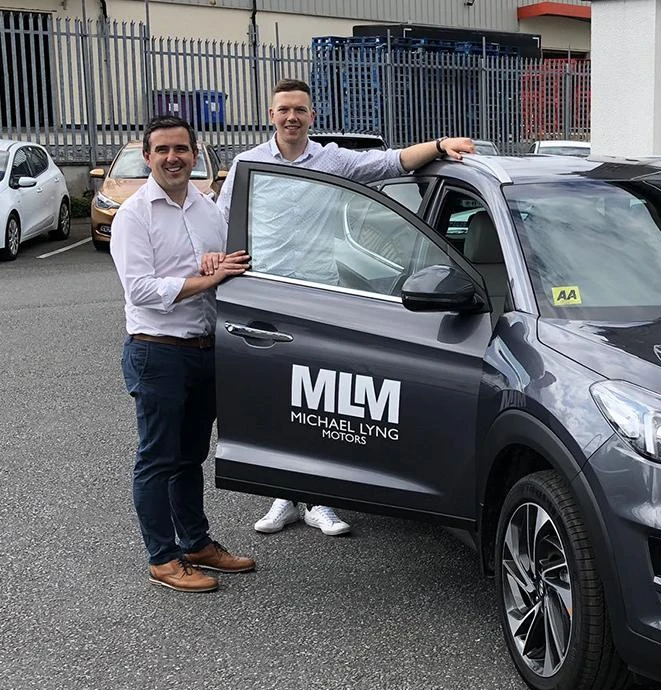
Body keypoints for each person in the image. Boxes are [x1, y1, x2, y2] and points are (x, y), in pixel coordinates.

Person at [214, 77, 476, 538]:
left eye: (299, 110)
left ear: (311, 116)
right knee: (278, 399)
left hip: (318, 299)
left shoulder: (332, 159)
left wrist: (438, 145)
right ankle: (284, 496)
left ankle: (319, 499)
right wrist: (217, 267)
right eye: (283, 110)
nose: (291, 117)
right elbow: (221, 222)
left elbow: (390, 162)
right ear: (270, 115)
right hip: (265, 293)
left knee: (315, 403)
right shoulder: (247, 164)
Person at [112, 115, 255, 593]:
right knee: (157, 458)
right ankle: (162, 557)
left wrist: (214, 265)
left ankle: (195, 543)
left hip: (204, 349)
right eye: (163, 150)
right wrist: (208, 278)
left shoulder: (207, 207)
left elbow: (222, 263)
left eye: (182, 149)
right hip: (158, 352)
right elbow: (142, 290)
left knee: (190, 456)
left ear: (195, 154)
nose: (173, 157)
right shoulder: (134, 216)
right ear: (148, 156)